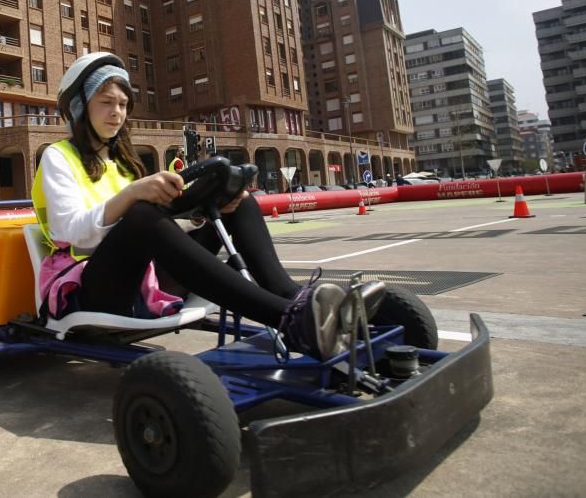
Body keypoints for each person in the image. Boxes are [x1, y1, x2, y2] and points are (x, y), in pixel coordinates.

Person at [31, 53, 384, 360]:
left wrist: (201, 207)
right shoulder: (57, 158)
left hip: (144, 279)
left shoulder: (124, 164)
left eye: (123, 104)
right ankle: (289, 319)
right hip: (91, 289)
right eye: (106, 102)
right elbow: (71, 234)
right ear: (80, 104)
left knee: (240, 205)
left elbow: (160, 230)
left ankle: (296, 299)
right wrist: (132, 195)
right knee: (140, 215)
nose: (117, 113)